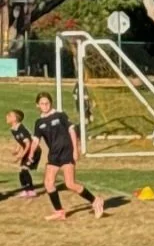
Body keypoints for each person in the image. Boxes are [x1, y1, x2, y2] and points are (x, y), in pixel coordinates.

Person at [31, 93, 104, 222]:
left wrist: (76, 150)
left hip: (66, 152)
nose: (45, 105)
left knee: (70, 184)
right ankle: (59, 212)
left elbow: (72, 131)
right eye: (42, 103)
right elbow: (36, 140)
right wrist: (31, 154)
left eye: (47, 103)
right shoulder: (39, 122)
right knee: (48, 184)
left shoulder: (60, 116)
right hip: (53, 155)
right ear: (37, 105)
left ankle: (95, 200)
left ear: (51, 103)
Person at [6, 109, 41, 198]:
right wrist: (17, 150)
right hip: (27, 150)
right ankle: (25, 190)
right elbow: (19, 141)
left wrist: (22, 155)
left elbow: (28, 143)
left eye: (10, 115)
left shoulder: (21, 129)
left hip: (34, 151)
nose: (7, 117)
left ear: (15, 119)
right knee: (21, 171)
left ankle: (31, 190)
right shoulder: (13, 129)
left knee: (24, 169)